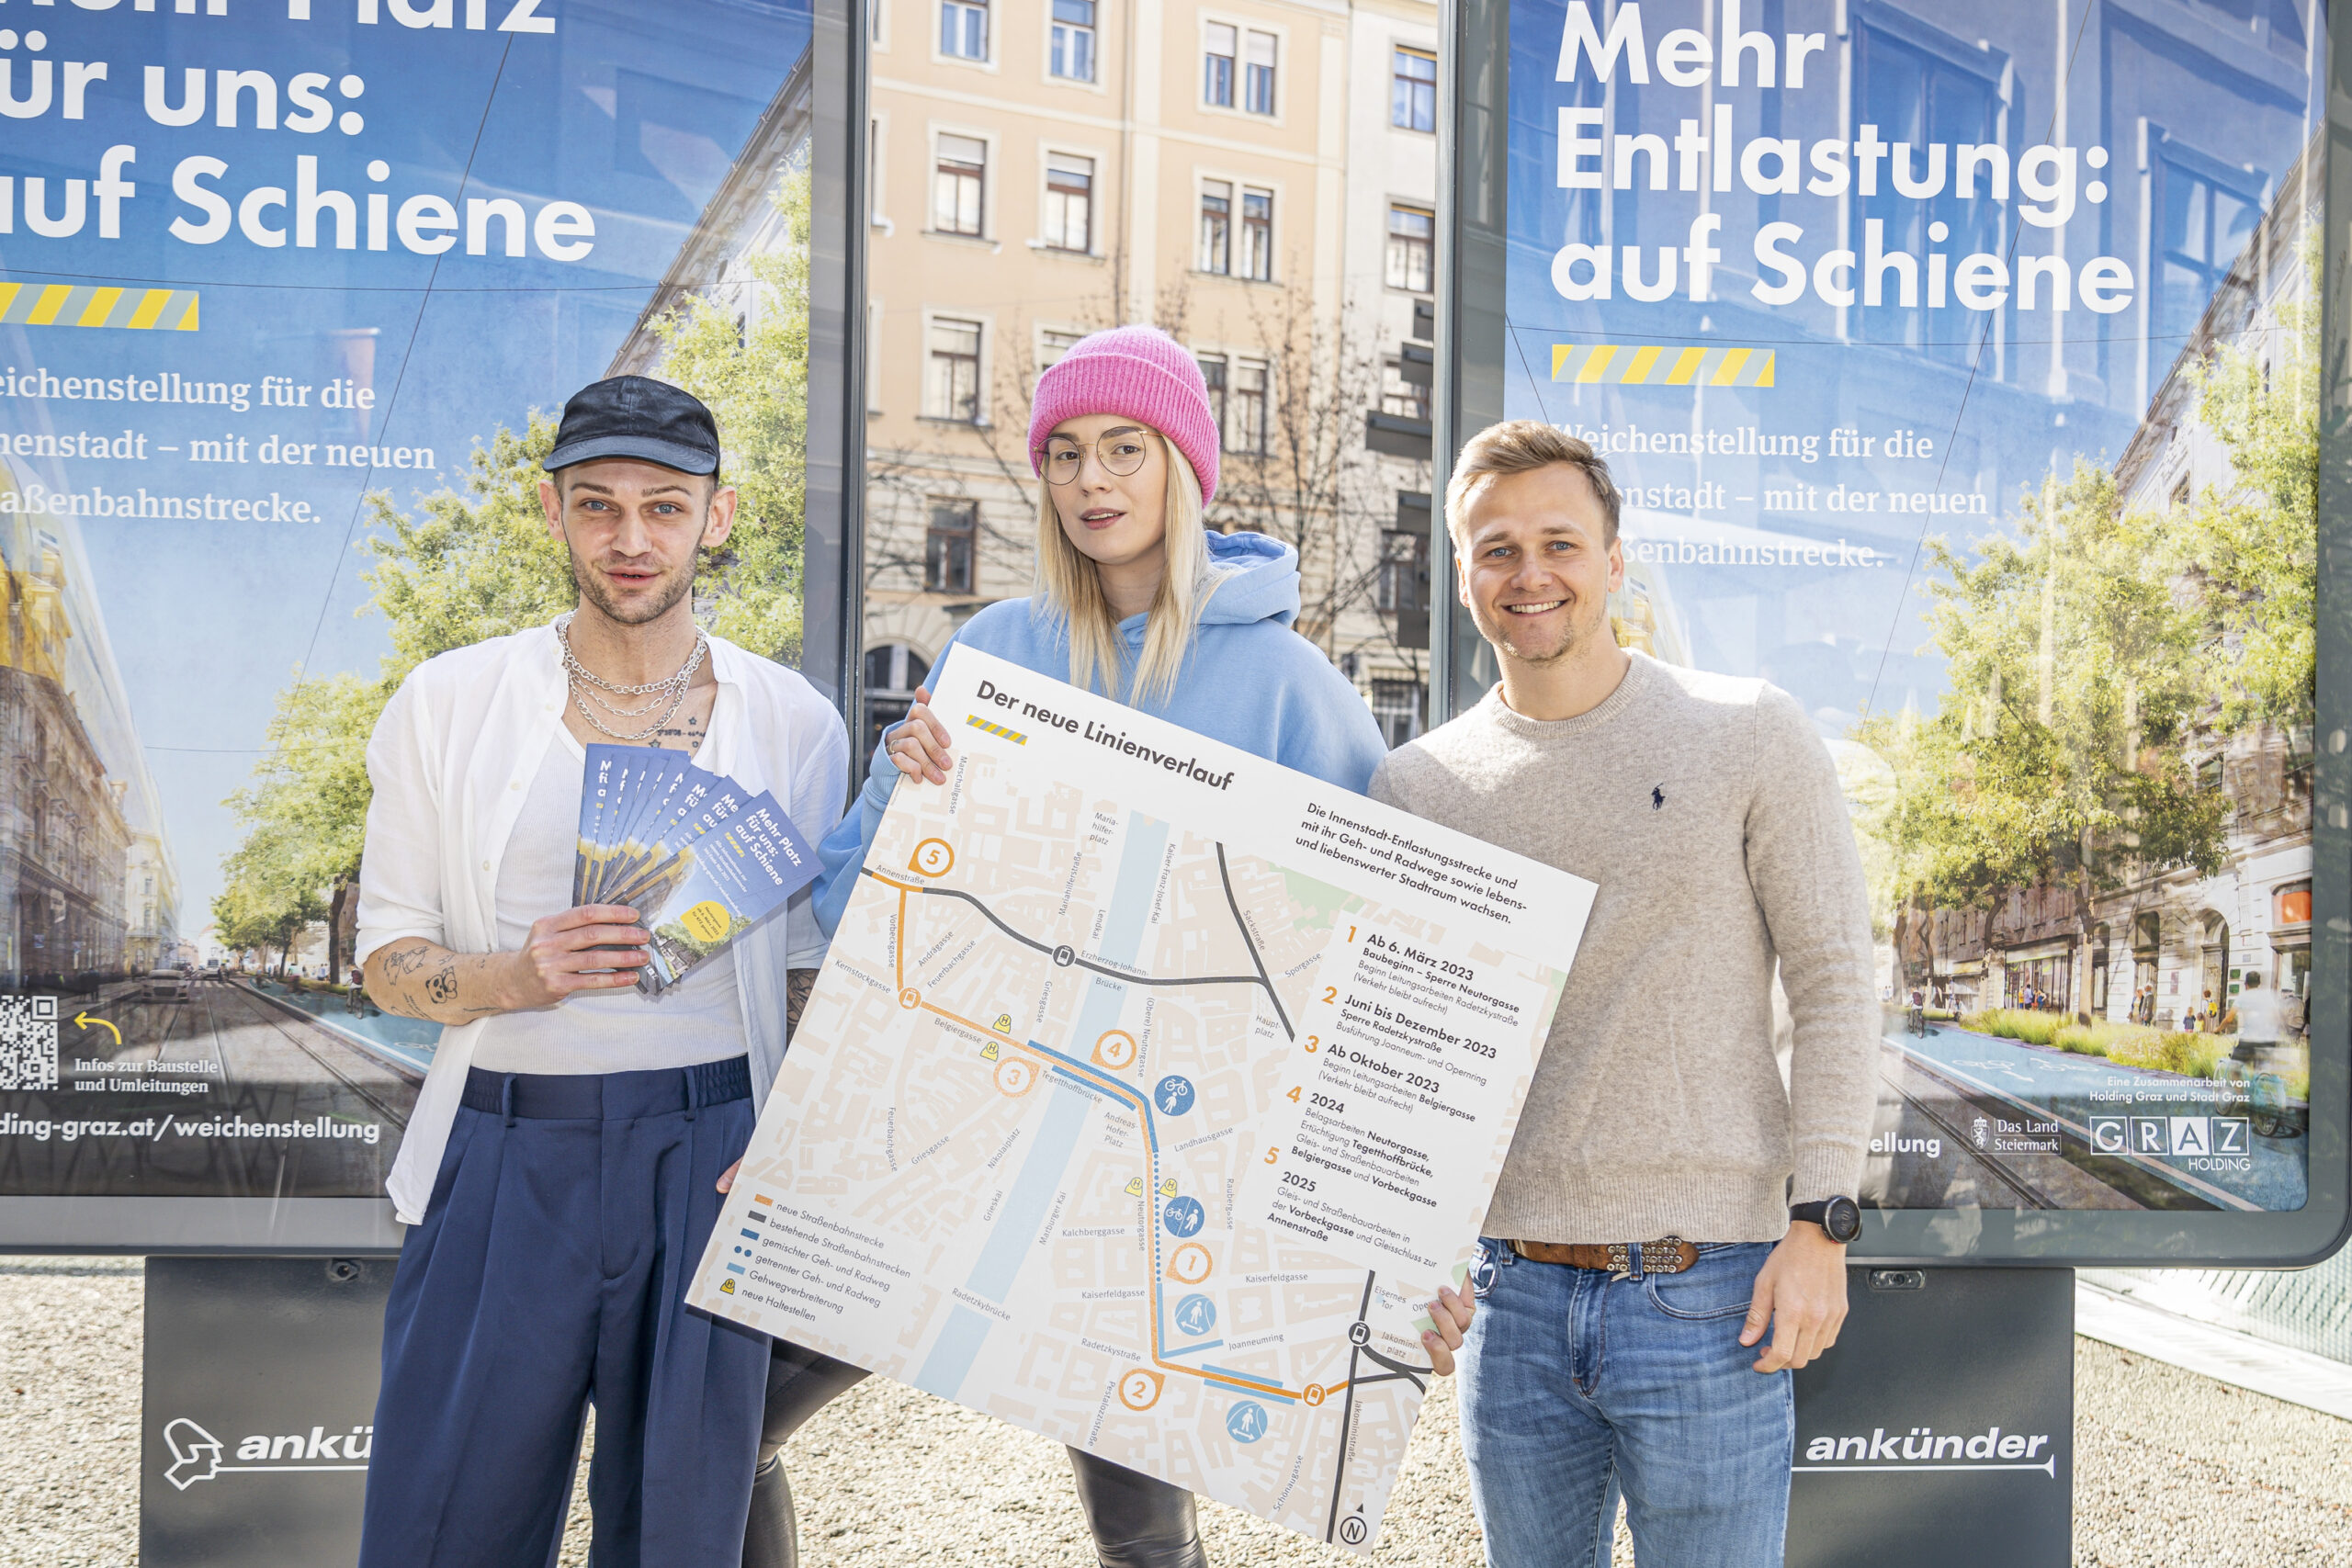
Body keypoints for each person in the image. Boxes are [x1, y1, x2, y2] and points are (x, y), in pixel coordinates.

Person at [740, 325, 1476, 1568]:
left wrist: (1409, 1246)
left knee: (1141, 1535)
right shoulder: (995, 654)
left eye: (1125, 448)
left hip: (1150, 1173)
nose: (1092, 478)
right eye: (1067, 452)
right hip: (968, 1147)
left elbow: (1390, 970)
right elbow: (844, 899)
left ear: (1181, 465)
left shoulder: (1295, 687)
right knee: (726, 1415)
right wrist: (900, 779)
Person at [352, 376, 850, 1568]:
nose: (632, 539)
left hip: (708, 1154)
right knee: (443, 1521)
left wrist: (798, 1134)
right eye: (600, 505)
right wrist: (509, 975)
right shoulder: (449, 702)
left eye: (665, 507)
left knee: (681, 1529)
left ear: (716, 517)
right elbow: (385, 958)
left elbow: (804, 967)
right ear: (552, 510)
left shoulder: (793, 724)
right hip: (504, 1151)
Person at [1368, 422, 1876, 1567]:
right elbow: (1408, 1058)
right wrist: (1416, 1263)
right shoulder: (1418, 787)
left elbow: (1838, 985)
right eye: (1495, 550)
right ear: (1461, 574)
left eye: (1559, 542)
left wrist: (1823, 1224)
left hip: (1711, 1295)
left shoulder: (1746, 732)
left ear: (1611, 559)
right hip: (1511, 1303)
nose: (1529, 574)